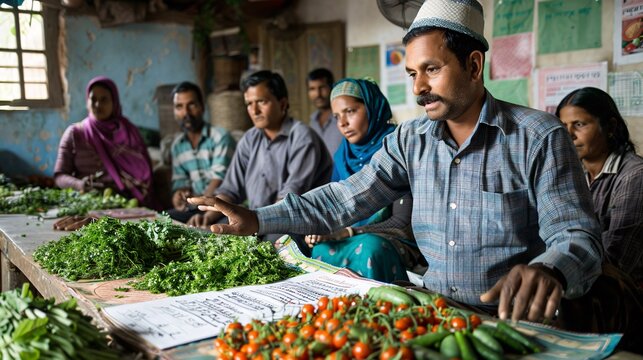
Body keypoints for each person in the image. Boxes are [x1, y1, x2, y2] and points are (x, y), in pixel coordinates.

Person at [189, 0, 603, 326]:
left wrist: (551, 271)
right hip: (437, 317)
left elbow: (578, 237)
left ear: (474, 65)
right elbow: (340, 200)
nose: (419, 88)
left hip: (516, 324)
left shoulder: (538, 137)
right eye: (411, 74)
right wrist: (257, 218)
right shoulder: (411, 140)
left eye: (432, 69)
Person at [188, 70, 333, 252]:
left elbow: (289, 199)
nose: (254, 111)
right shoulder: (250, 138)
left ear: (283, 103)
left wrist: (255, 223)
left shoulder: (303, 138)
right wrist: (207, 217)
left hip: (294, 223)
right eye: (249, 104)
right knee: (209, 240)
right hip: (256, 220)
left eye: (262, 102)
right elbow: (231, 190)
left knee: (263, 252)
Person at [303, 78, 422, 282]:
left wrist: (348, 232)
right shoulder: (343, 155)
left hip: (396, 238)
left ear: (372, 107)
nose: (342, 123)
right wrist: (321, 230)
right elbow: (334, 208)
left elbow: (402, 223)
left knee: (369, 249)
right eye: (336, 116)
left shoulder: (397, 147)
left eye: (350, 111)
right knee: (321, 248)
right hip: (352, 235)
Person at [556, 87, 643, 287]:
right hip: (582, 285)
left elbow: (617, 260)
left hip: (625, 297)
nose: (569, 135)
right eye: (563, 126)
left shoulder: (634, 176)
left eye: (579, 124)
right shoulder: (572, 174)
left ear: (610, 127)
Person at [54, 76, 159, 210]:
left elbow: (146, 171)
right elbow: (59, 177)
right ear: (87, 101)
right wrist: (80, 185)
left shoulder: (130, 132)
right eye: (93, 99)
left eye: (104, 100)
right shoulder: (75, 133)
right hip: (89, 203)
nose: (97, 105)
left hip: (129, 202)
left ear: (114, 102)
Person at [167, 81, 236, 223]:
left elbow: (219, 180)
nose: (185, 113)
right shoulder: (177, 146)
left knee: (218, 230)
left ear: (202, 107)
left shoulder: (220, 138)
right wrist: (179, 196)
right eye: (179, 107)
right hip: (197, 206)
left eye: (191, 105)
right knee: (162, 219)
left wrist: (198, 206)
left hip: (223, 207)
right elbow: (180, 183)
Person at [307, 68, 343, 156]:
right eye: (312, 89)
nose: (317, 94)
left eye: (322, 87)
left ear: (332, 87)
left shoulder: (343, 119)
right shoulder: (312, 122)